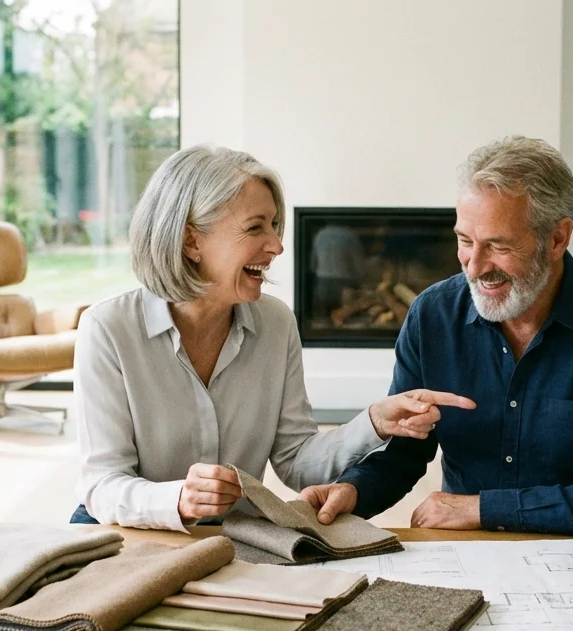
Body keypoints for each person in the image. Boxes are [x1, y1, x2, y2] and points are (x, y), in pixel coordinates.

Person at [71, 144, 474, 530]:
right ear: (192, 240)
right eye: (255, 228)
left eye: (275, 225)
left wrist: (374, 422)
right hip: (130, 535)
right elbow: (101, 485)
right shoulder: (108, 330)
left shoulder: (276, 323)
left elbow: (297, 461)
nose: (278, 246)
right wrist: (176, 499)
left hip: (233, 540)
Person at [298, 136, 573, 536]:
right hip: (467, 550)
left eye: (498, 245)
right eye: (464, 241)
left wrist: (485, 508)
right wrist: (353, 490)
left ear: (557, 239)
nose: (474, 266)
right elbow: (406, 450)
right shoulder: (432, 316)